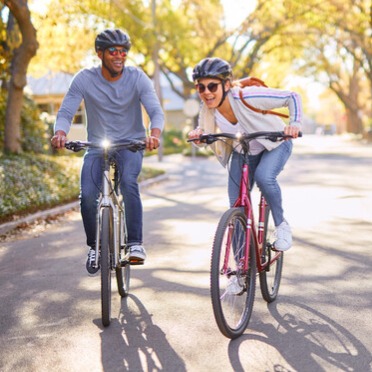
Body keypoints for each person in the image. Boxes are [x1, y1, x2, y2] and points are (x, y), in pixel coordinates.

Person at [51, 29, 164, 274]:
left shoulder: (137, 78)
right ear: (100, 53)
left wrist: (154, 135)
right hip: (96, 146)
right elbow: (67, 111)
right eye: (113, 51)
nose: (119, 56)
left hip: (130, 144)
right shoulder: (84, 78)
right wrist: (60, 132)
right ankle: (94, 246)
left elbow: (156, 110)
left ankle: (135, 244)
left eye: (123, 52)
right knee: (88, 194)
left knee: (129, 185)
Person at [188, 57, 302, 251]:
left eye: (212, 86)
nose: (207, 93)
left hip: (275, 144)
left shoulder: (246, 96)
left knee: (264, 178)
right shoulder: (207, 109)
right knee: (236, 207)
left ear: (226, 84)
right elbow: (203, 132)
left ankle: (282, 226)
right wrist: (198, 136)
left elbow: (292, 97)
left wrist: (295, 124)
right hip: (244, 151)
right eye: (201, 88)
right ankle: (239, 271)